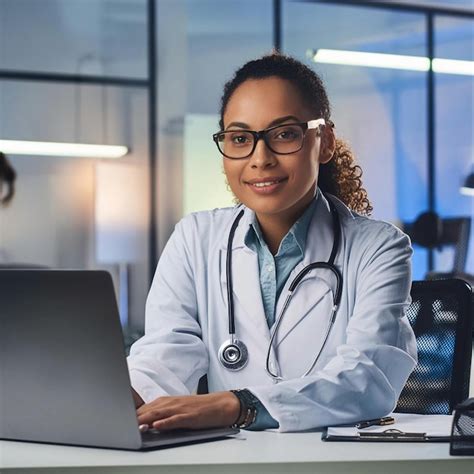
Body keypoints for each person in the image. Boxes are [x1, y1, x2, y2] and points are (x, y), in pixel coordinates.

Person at [127, 53, 417, 433]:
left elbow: (368, 379)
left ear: (324, 141)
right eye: (240, 138)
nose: (259, 158)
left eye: (284, 134)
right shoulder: (194, 238)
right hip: (232, 462)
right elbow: (164, 354)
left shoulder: (379, 248)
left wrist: (239, 405)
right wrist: (116, 398)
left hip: (329, 463)